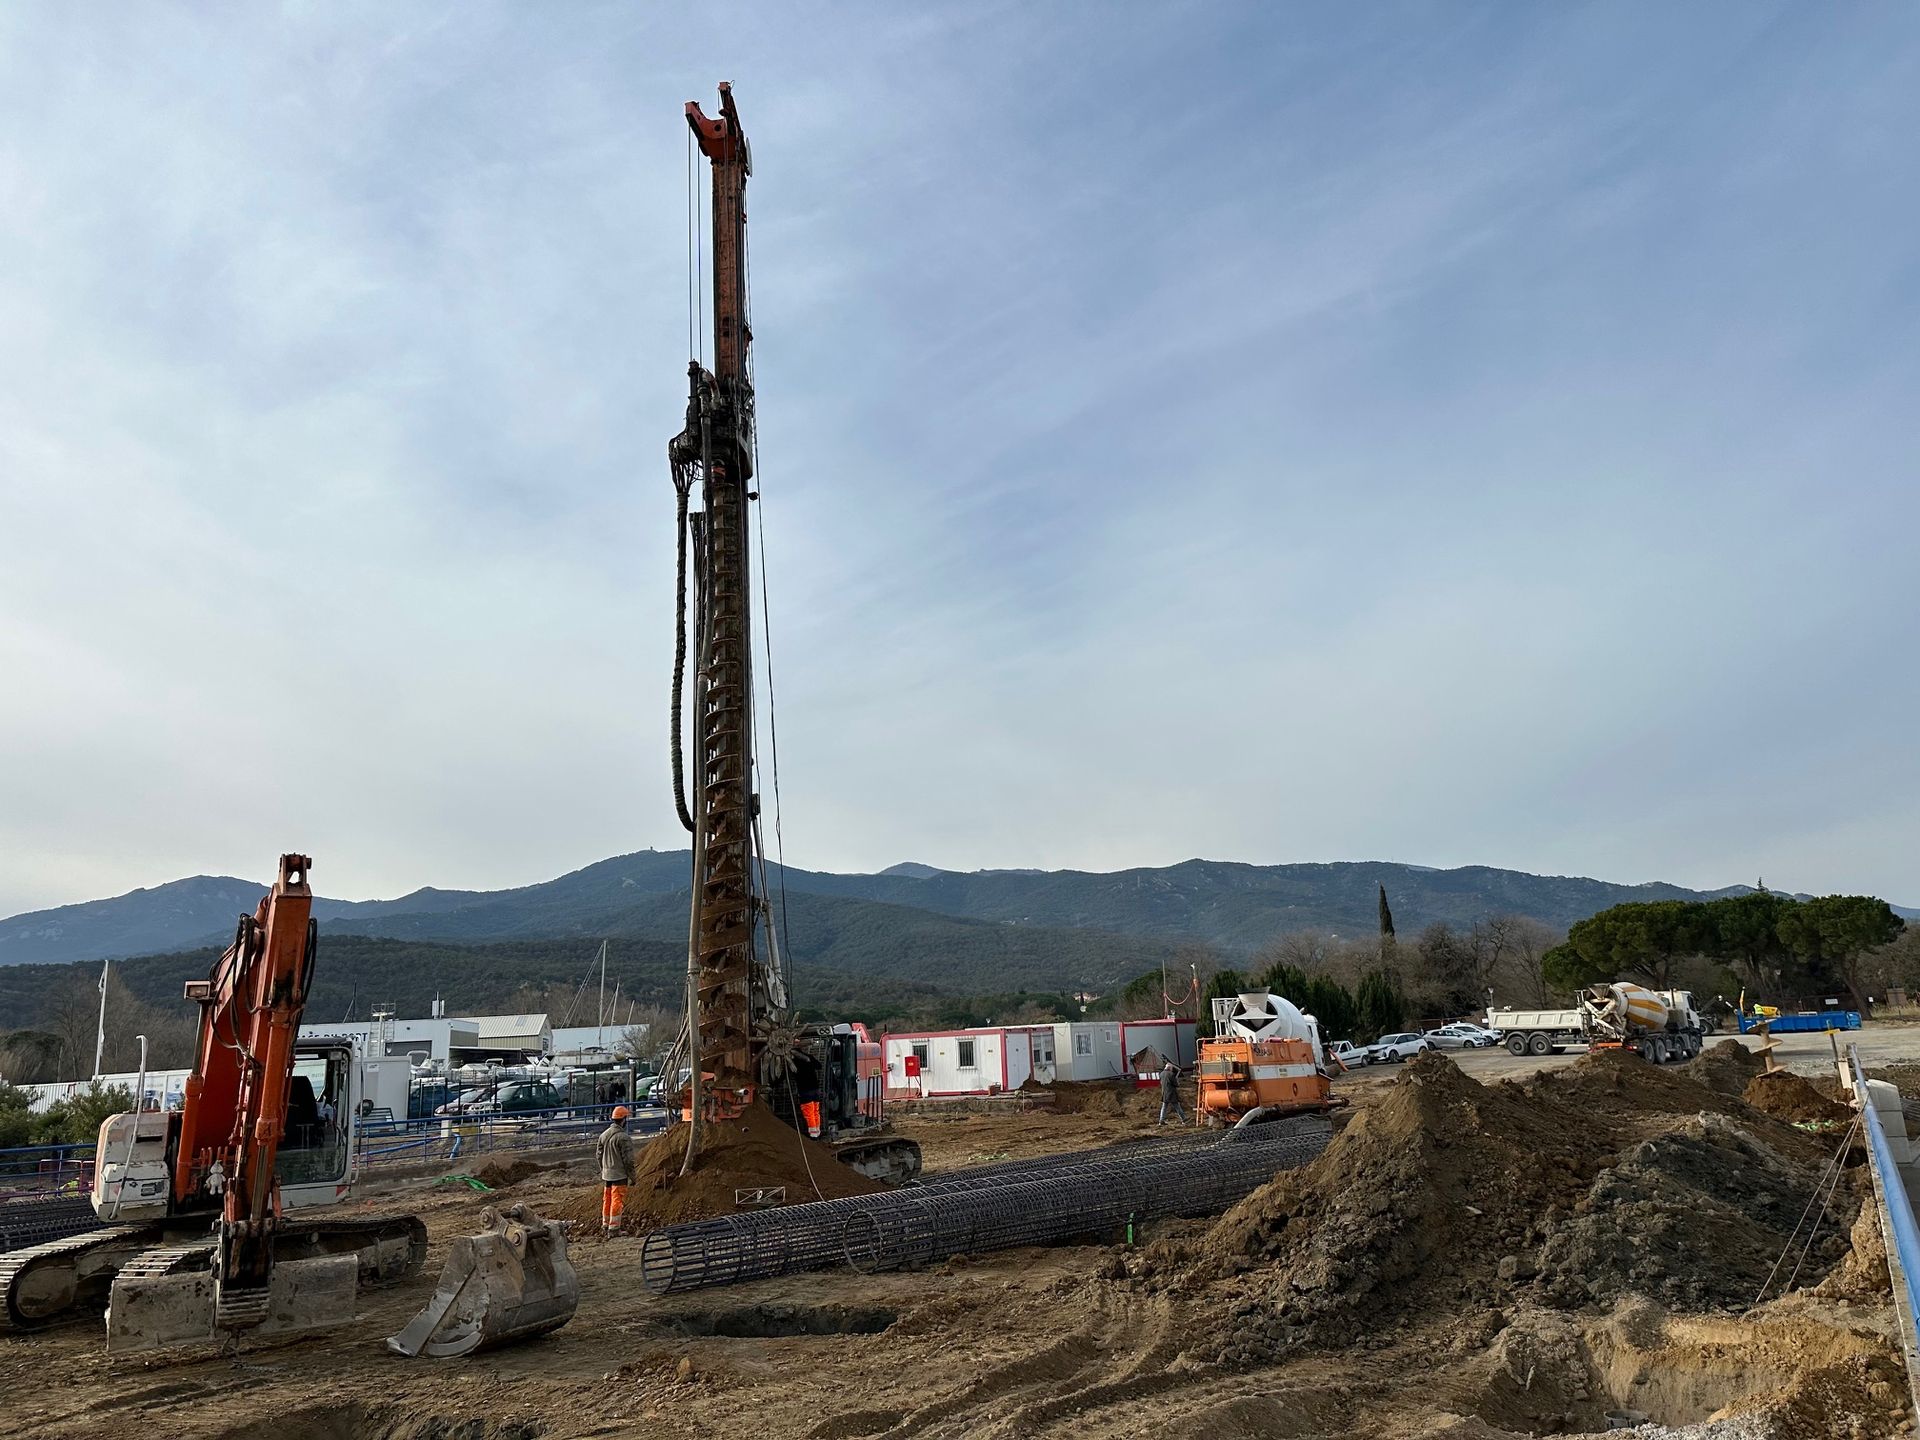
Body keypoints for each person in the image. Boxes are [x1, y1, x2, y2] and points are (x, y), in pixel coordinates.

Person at [596, 1105, 636, 1235]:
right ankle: (614, 1229)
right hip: (619, 1174)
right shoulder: (623, 1138)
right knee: (616, 1200)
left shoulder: (603, 1135)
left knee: (607, 1199)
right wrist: (633, 1177)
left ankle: (605, 1224)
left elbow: (598, 1155)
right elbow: (628, 1160)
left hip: (607, 1174)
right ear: (623, 1119)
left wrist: (604, 1169)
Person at [1158, 1061, 1190, 1125]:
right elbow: (1176, 1084)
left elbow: (1161, 1083)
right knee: (1177, 1106)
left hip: (1164, 1093)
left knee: (1164, 1107)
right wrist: (1177, 1082)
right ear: (1170, 1068)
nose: (1172, 1070)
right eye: (1172, 1068)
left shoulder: (1161, 1074)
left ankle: (1161, 1120)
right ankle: (1183, 1119)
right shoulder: (1171, 1074)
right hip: (1171, 1093)